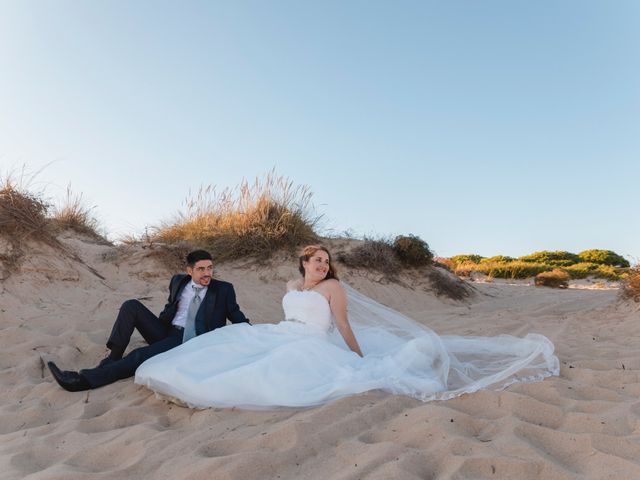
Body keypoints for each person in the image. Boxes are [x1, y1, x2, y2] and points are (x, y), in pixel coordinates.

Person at [135, 245, 560, 409]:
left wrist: (357, 356)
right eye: (314, 260)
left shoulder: (334, 287)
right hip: (281, 331)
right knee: (234, 339)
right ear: (303, 264)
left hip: (312, 342)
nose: (321, 264)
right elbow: (286, 313)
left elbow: (341, 324)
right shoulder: (290, 284)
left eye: (325, 260)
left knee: (272, 371)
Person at [47, 249, 250, 392]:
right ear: (189, 271)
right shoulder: (178, 281)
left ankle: (83, 381)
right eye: (201, 269)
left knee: (139, 355)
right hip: (167, 330)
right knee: (131, 306)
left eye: (210, 268)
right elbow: (172, 305)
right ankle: (113, 357)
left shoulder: (223, 289)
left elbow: (236, 315)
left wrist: (253, 333)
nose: (207, 273)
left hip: (190, 340)